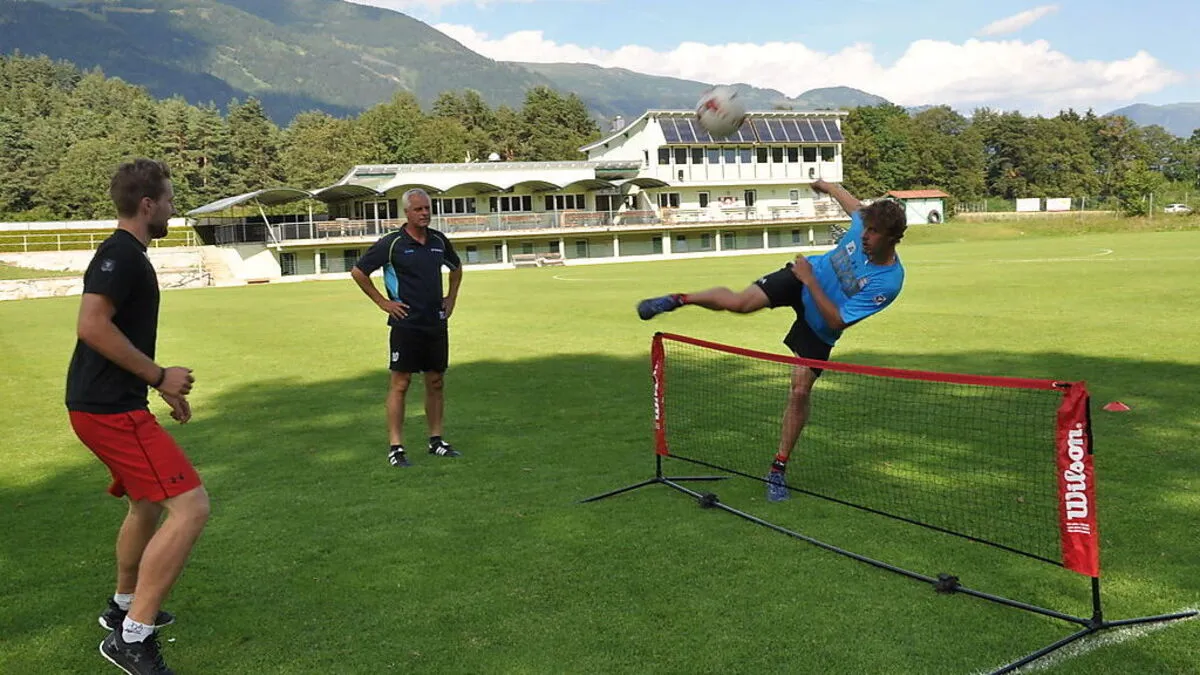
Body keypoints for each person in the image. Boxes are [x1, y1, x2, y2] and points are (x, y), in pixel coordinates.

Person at [636, 180, 907, 502]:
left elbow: (836, 319)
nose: (865, 235)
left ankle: (778, 469)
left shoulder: (887, 282)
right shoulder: (864, 222)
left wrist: (810, 279)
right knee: (740, 303)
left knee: (799, 390)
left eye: (874, 232)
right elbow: (846, 198)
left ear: (893, 238)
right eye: (866, 228)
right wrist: (825, 185)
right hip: (799, 279)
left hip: (820, 323)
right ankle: (680, 299)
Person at [66, 159, 211, 674]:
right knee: (191, 507)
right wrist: (158, 376)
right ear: (148, 205)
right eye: (169, 200)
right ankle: (133, 638)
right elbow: (91, 326)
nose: (173, 208)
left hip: (108, 403)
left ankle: (123, 607)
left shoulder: (128, 255)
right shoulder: (121, 255)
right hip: (107, 411)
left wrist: (158, 388)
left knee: (148, 505)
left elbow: (116, 332)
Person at [352, 188, 464, 467]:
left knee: (436, 381)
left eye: (427, 208)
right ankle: (396, 447)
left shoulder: (439, 240)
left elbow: (456, 268)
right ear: (407, 212)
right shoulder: (392, 244)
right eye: (418, 209)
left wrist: (451, 299)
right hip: (406, 324)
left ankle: (436, 440)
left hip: (435, 323)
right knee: (400, 384)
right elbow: (358, 272)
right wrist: (383, 302)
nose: (424, 213)